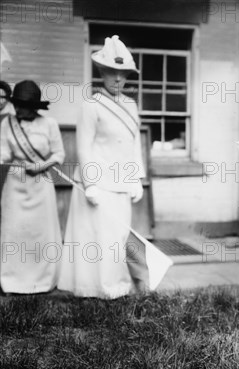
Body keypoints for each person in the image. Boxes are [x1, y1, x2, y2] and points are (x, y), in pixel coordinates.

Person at [58, 35, 146, 298]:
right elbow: (84, 147)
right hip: (98, 182)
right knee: (95, 238)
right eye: (111, 73)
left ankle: (117, 286)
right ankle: (92, 289)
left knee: (117, 239)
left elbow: (133, 145)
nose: (117, 79)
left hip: (121, 182)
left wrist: (136, 178)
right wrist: (91, 183)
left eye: (123, 74)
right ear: (102, 73)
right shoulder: (91, 105)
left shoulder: (131, 105)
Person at [0, 80, 65, 294]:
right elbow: (3, 155)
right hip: (15, 185)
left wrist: (40, 165)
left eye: (24, 105)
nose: (18, 109)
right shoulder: (7, 124)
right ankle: (12, 282)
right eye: (16, 104)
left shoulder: (49, 124)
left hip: (40, 185)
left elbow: (59, 154)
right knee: (14, 232)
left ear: (35, 106)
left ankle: (42, 281)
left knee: (40, 234)